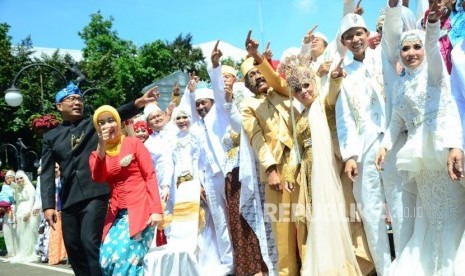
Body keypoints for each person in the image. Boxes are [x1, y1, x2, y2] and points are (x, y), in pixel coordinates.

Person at [375, 1, 465, 275]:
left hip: (442, 151)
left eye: (416, 47)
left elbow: (433, 51)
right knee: (434, 218)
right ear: (398, 54)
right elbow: (394, 123)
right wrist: (385, 146)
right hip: (420, 162)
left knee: (454, 214)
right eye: (405, 48)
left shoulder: (435, 74)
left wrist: (433, 26)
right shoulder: (401, 85)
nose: (412, 53)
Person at [40, 81, 159, 276]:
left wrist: (138, 103)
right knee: (74, 248)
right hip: (69, 199)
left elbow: (115, 114)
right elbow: (46, 172)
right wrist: (48, 206)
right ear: (59, 106)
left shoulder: (92, 125)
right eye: (71, 99)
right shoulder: (51, 136)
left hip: (96, 195)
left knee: (90, 242)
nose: (77, 102)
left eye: (79, 99)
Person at [209, 41, 273, 275]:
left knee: (262, 217)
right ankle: (249, 268)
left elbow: (242, 124)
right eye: (221, 77)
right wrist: (215, 66)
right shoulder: (216, 112)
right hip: (232, 171)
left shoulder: (246, 99)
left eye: (229, 76)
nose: (226, 81)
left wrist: (229, 102)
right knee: (239, 221)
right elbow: (218, 94)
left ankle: (265, 266)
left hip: (254, 167)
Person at [242, 31, 303, 276]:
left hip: (301, 162)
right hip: (276, 169)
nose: (257, 77)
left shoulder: (281, 90)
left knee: (306, 221)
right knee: (282, 228)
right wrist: (270, 170)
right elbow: (257, 139)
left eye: (259, 72)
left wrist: (257, 58)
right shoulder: (248, 106)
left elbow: (276, 79)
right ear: (246, 84)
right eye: (251, 76)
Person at [89, 105, 163, 275]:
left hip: (141, 210)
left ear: (119, 123)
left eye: (111, 120)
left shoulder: (133, 143)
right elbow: (98, 177)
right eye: (101, 123)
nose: (107, 125)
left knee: (127, 259)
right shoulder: (97, 154)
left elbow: (150, 176)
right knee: (106, 258)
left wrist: (156, 210)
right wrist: (101, 145)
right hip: (117, 213)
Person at [10, 170, 40, 263]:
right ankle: (24, 252)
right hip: (20, 212)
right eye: (17, 179)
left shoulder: (29, 187)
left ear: (25, 178)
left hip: (27, 212)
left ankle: (30, 252)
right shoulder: (19, 189)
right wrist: (16, 216)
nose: (19, 180)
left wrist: (28, 212)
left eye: (21, 178)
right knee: (22, 234)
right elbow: (18, 203)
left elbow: (32, 200)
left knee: (29, 233)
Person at [1, 170, 18, 259]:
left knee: (15, 232)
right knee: (7, 232)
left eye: (11, 177)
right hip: (5, 212)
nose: (9, 179)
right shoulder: (4, 187)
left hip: (15, 211)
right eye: (7, 177)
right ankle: (11, 253)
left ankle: (17, 252)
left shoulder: (17, 186)